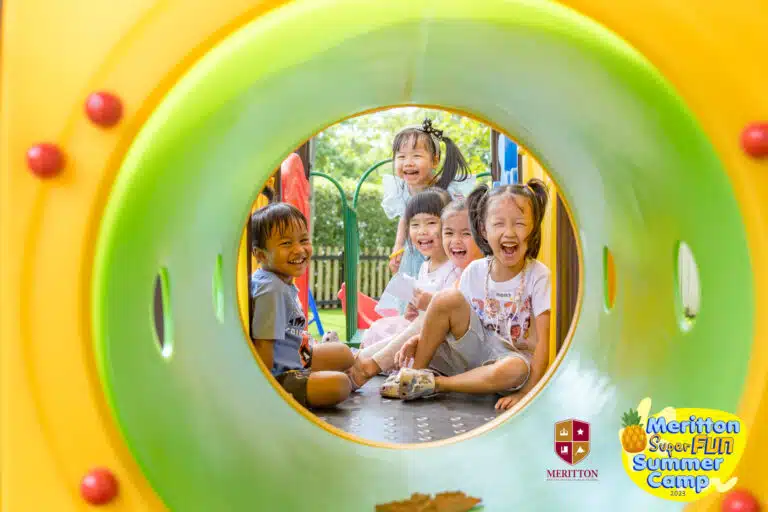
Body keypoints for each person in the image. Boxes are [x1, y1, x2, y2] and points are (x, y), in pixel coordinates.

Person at [389, 179, 552, 411]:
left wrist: (527, 393)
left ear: (533, 228)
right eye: (498, 224)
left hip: (510, 366)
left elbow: (544, 342)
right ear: (484, 230)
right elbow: (447, 316)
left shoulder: (538, 275)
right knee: (446, 298)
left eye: (519, 224)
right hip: (473, 351)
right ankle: (414, 375)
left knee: (514, 369)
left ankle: (436, 384)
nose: (509, 232)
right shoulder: (475, 271)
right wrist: (419, 340)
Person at [346, 197, 483, 390]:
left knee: (430, 313)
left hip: (463, 354)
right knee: (408, 324)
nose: (456, 241)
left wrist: (430, 304)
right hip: (445, 347)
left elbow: (462, 313)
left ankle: (366, 364)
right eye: (449, 233)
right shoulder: (464, 270)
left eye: (466, 233)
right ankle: (360, 360)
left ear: (482, 235)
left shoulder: (472, 270)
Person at [250, 202, 355, 408]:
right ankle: (301, 386)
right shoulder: (271, 290)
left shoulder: (280, 280)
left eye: (303, 240)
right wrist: (263, 392)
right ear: (261, 255)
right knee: (340, 385)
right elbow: (263, 346)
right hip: (280, 374)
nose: (299, 250)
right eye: (286, 243)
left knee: (344, 353)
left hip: (297, 355)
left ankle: (315, 374)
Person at [382, 119, 475, 289]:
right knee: (413, 291)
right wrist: (398, 247)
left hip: (445, 252)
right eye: (401, 157)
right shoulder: (401, 189)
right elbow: (405, 218)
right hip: (416, 249)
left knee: (443, 289)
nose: (408, 162)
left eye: (416, 156)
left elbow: (460, 220)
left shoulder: (447, 190)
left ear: (434, 161)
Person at [359, 189, 457, 349]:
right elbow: (417, 305)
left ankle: (359, 361)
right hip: (418, 328)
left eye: (431, 223)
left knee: (387, 341)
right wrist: (412, 311)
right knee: (376, 330)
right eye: (415, 224)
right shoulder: (425, 266)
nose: (422, 231)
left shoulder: (454, 268)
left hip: (437, 339)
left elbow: (451, 313)